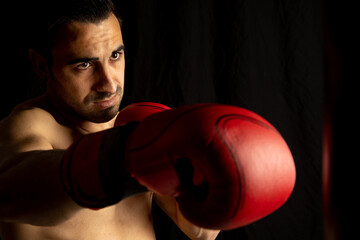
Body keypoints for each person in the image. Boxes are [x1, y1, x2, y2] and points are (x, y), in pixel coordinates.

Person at [0, 0, 220, 239]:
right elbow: (12, 195)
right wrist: (121, 157)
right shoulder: (28, 127)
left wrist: (211, 174)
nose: (109, 84)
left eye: (115, 55)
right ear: (42, 66)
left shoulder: (134, 125)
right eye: (84, 64)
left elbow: (199, 232)